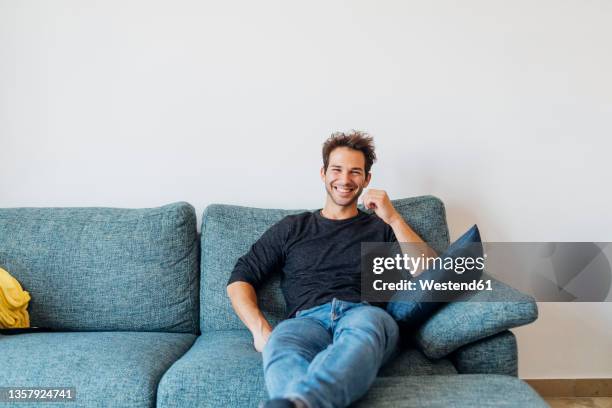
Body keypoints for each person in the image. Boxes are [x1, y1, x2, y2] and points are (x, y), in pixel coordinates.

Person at [226, 131, 432, 408]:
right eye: (337, 169)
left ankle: (301, 402)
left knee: (364, 332)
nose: (345, 180)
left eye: (355, 172)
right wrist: (260, 329)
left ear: (367, 179)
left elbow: (430, 273)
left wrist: (393, 218)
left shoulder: (381, 227)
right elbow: (241, 276)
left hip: (364, 314)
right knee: (280, 344)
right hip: (305, 321)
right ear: (323, 173)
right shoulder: (293, 227)